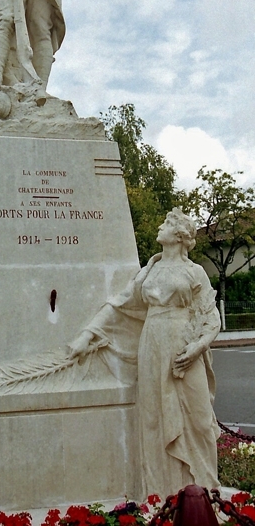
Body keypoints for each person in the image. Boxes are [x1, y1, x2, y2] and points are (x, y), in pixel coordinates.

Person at [68, 208, 221, 499]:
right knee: (154, 419)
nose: (160, 226)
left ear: (179, 235)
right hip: (153, 343)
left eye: (166, 223)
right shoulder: (148, 271)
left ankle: (206, 491)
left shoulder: (194, 272)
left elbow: (211, 317)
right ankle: (162, 494)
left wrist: (198, 347)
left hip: (186, 345)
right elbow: (119, 305)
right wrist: (87, 335)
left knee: (200, 419)